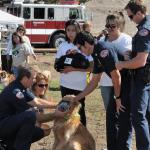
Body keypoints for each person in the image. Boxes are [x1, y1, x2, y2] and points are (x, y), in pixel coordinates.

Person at [73, 31, 133, 150]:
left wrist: (118, 98)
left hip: (129, 84)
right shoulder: (96, 52)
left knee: (123, 121)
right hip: (121, 86)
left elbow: (117, 76)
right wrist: (76, 98)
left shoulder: (102, 50)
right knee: (111, 118)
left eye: (80, 48)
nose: (80, 51)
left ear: (86, 43)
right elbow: (95, 81)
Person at [0, 66, 65, 150]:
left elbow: (37, 101)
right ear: (25, 78)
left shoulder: (22, 87)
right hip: (2, 125)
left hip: (9, 124)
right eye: (33, 78)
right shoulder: (15, 91)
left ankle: (8, 145)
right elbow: (33, 115)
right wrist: (55, 115)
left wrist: (58, 105)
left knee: (38, 132)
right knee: (30, 115)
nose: (34, 80)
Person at [116, 1, 150, 150]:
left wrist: (122, 64)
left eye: (130, 16)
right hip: (145, 77)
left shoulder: (144, 30)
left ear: (139, 13)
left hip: (142, 78)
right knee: (147, 116)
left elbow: (141, 61)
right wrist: (132, 53)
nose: (130, 19)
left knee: (138, 117)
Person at [99, 12, 132, 150]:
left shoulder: (126, 40)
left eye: (113, 26)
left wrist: (125, 57)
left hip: (122, 84)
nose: (110, 29)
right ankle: (113, 145)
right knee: (111, 117)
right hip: (106, 83)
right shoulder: (103, 41)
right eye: (107, 25)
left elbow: (129, 59)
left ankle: (124, 146)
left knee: (123, 118)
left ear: (120, 26)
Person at [54, 20, 93, 126]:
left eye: (73, 30)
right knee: (66, 112)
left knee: (79, 112)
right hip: (65, 84)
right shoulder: (62, 45)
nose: (70, 33)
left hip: (79, 85)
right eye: (68, 30)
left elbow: (91, 68)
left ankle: (82, 137)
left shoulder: (83, 45)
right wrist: (66, 59)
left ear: (78, 31)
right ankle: (69, 136)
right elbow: (56, 65)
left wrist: (73, 68)